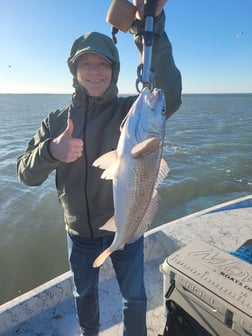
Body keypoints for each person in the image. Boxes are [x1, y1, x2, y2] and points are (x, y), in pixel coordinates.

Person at [17, 1, 182, 335]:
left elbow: (169, 95)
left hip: (128, 228)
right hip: (79, 234)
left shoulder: (128, 113)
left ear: (115, 69)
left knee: (134, 297)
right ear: (74, 71)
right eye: (85, 64)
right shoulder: (56, 121)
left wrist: (148, 28)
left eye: (103, 63)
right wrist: (51, 150)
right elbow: (25, 173)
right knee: (84, 293)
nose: (94, 70)